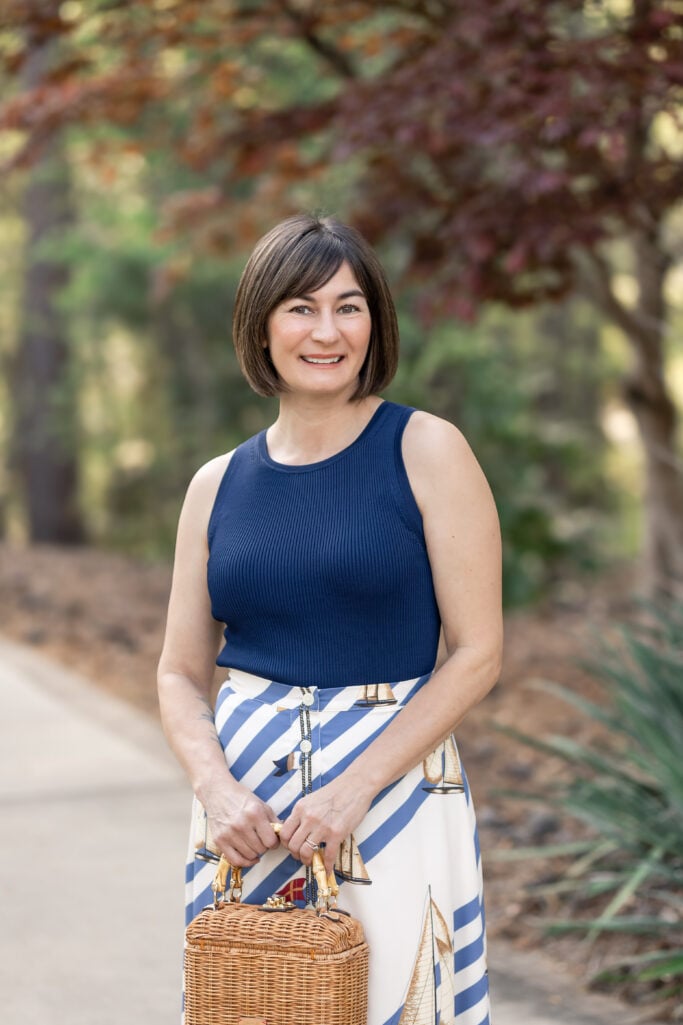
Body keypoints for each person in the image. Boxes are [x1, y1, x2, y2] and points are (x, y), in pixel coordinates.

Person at [157, 213, 502, 1025]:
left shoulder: (425, 448)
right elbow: (178, 669)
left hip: (392, 796)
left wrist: (353, 788)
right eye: (300, 307)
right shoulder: (216, 484)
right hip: (244, 815)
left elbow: (478, 651)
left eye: (348, 307)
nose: (326, 330)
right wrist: (215, 790)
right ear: (261, 324)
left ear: (373, 321)